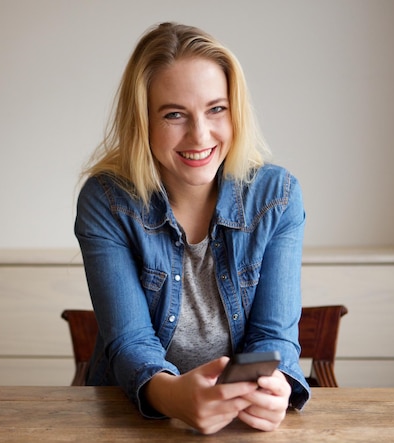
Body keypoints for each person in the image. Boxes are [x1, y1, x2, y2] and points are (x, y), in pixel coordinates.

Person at [74, 22, 309, 434]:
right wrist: (175, 397)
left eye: (216, 109)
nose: (200, 135)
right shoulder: (107, 200)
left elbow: (273, 338)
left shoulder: (278, 195)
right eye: (174, 114)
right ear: (143, 121)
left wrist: (276, 391)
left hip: (241, 422)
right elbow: (130, 344)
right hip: (132, 422)